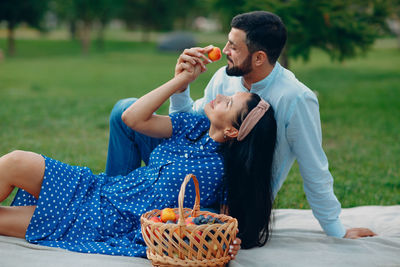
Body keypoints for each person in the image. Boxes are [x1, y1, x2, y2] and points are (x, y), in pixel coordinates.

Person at [106, 10, 376, 242]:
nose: (224, 51)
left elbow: (314, 166)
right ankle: (115, 203)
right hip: (196, 165)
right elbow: (187, 122)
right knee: (124, 111)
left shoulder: (296, 98)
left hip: (226, 195)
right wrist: (181, 84)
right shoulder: (226, 76)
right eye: (227, 42)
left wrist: (335, 229)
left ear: (259, 58)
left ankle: (120, 213)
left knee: (127, 112)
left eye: (234, 47)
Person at [0, 62, 276, 257]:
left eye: (228, 103)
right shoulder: (194, 126)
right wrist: (181, 79)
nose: (219, 97)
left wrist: (228, 243)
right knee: (16, 161)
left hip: (106, 221)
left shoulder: (225, 172)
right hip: (100, 189)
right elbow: (131, 118)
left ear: (232, 131)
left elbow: (221, 227)